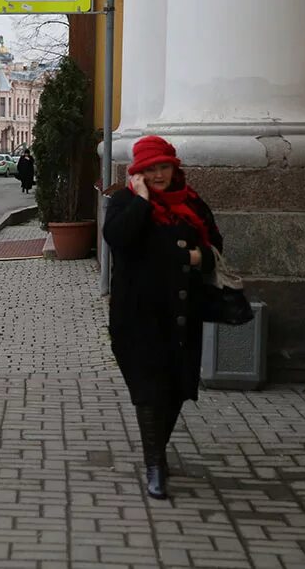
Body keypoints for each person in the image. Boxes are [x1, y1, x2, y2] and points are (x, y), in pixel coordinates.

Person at [102, 135, 222, 500]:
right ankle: (155, 464)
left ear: (174, 167)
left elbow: (215, 244)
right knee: (149, 390)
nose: (158, 175)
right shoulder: (124, 202)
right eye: (150, 169)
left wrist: (201, 257)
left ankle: (157, 453)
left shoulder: (191, 202)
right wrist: (141, 200)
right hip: (138, 316)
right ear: (137, 173)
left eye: (164, 167)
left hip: (182, 314)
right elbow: (117, 238)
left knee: (177, 390)